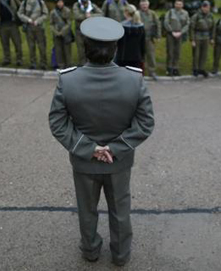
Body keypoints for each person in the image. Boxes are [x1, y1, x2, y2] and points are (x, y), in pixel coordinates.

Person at [48, 16, 154, 267]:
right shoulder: (134, 79)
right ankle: (120, 254)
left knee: (87, 210)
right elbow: (145, 123)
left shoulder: (68, 80)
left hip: (84, 161)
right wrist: (115, 149)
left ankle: (91, 250)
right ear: (116, 48)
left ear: (84, 47)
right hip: (119, 161)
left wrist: (89, 148)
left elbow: (57, 123)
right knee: (120, 210)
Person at [18, 0, 49, 70]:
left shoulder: (40, 2)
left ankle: (43, 63)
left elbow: (45, 14)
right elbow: (19, 14)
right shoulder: (24, 3)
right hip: (29, 28)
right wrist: (27, 19)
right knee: (31, 46)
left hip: (39, 28)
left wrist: (38, 21)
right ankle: (33, 63)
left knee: (42, 46)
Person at [72, 0, 103, 66]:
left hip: (90, 31)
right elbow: (77, 16)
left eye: (86, 2)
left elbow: (101, 14)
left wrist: (91, 16)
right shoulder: (76, 5)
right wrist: (85, 16)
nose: (85, 4)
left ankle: (90, 65)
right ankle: (83, 65)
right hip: (79, 31)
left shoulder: (92, 5)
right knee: (81, 50)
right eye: (83, 2)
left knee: (90, 48)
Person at [163, 0, 189, 76]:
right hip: (171, 34)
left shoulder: (185, 13)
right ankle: (169, 68)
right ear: (175, 4)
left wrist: (181, 32)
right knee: (170, 52)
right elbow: (166, 22)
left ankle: (175, 68)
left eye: (180, 4)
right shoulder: (170, 12)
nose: (178, 5)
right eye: (177, 4)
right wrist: (171, 31)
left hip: (179, 34)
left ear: (182, 5)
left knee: (177, 52)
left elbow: (187, 24)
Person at [115, 4, 146, 69]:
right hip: (137, 57)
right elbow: (143, 44)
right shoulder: (141, 27)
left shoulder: (122, 26)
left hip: (123, 57)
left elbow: (118, 43)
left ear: (126, 13)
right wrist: (142, 57)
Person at [190, 0, 214, 77]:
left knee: (204, 54)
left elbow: (213, 28)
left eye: (208, 7)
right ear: (201, 7)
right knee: (196, 54)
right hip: (197, 36)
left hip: (206, 37)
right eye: (205, 7)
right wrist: (192, 39)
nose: (206, 9)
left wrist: (212, 38)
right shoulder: (196, 16)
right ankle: (195, 69)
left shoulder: (211, 16)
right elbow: (192, 28)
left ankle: (201, 68)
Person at [138, 0, 161, 80]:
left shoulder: (152, 13)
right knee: (139, 56)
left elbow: (158, 24)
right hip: (139, 38)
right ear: (140, 5)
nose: (144, 6)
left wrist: (158, 36)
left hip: (149, 38)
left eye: (145, 4)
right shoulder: (137, 13)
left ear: (148, 5)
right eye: (143, 4)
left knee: (151, 55)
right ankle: (140, 72)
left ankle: (152, 71)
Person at [50, 0, 72, 69]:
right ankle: (60, 65)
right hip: (56, 34)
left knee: (67, 51)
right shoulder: (53, 12)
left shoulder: (67, 11)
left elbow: (69, 23)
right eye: (58, 2)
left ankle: (68, 65)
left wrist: (62, 32)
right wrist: (56, 32)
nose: (60, 3)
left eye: (61, 2)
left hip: (65, 34)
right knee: (58, 50)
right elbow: (51, 24)